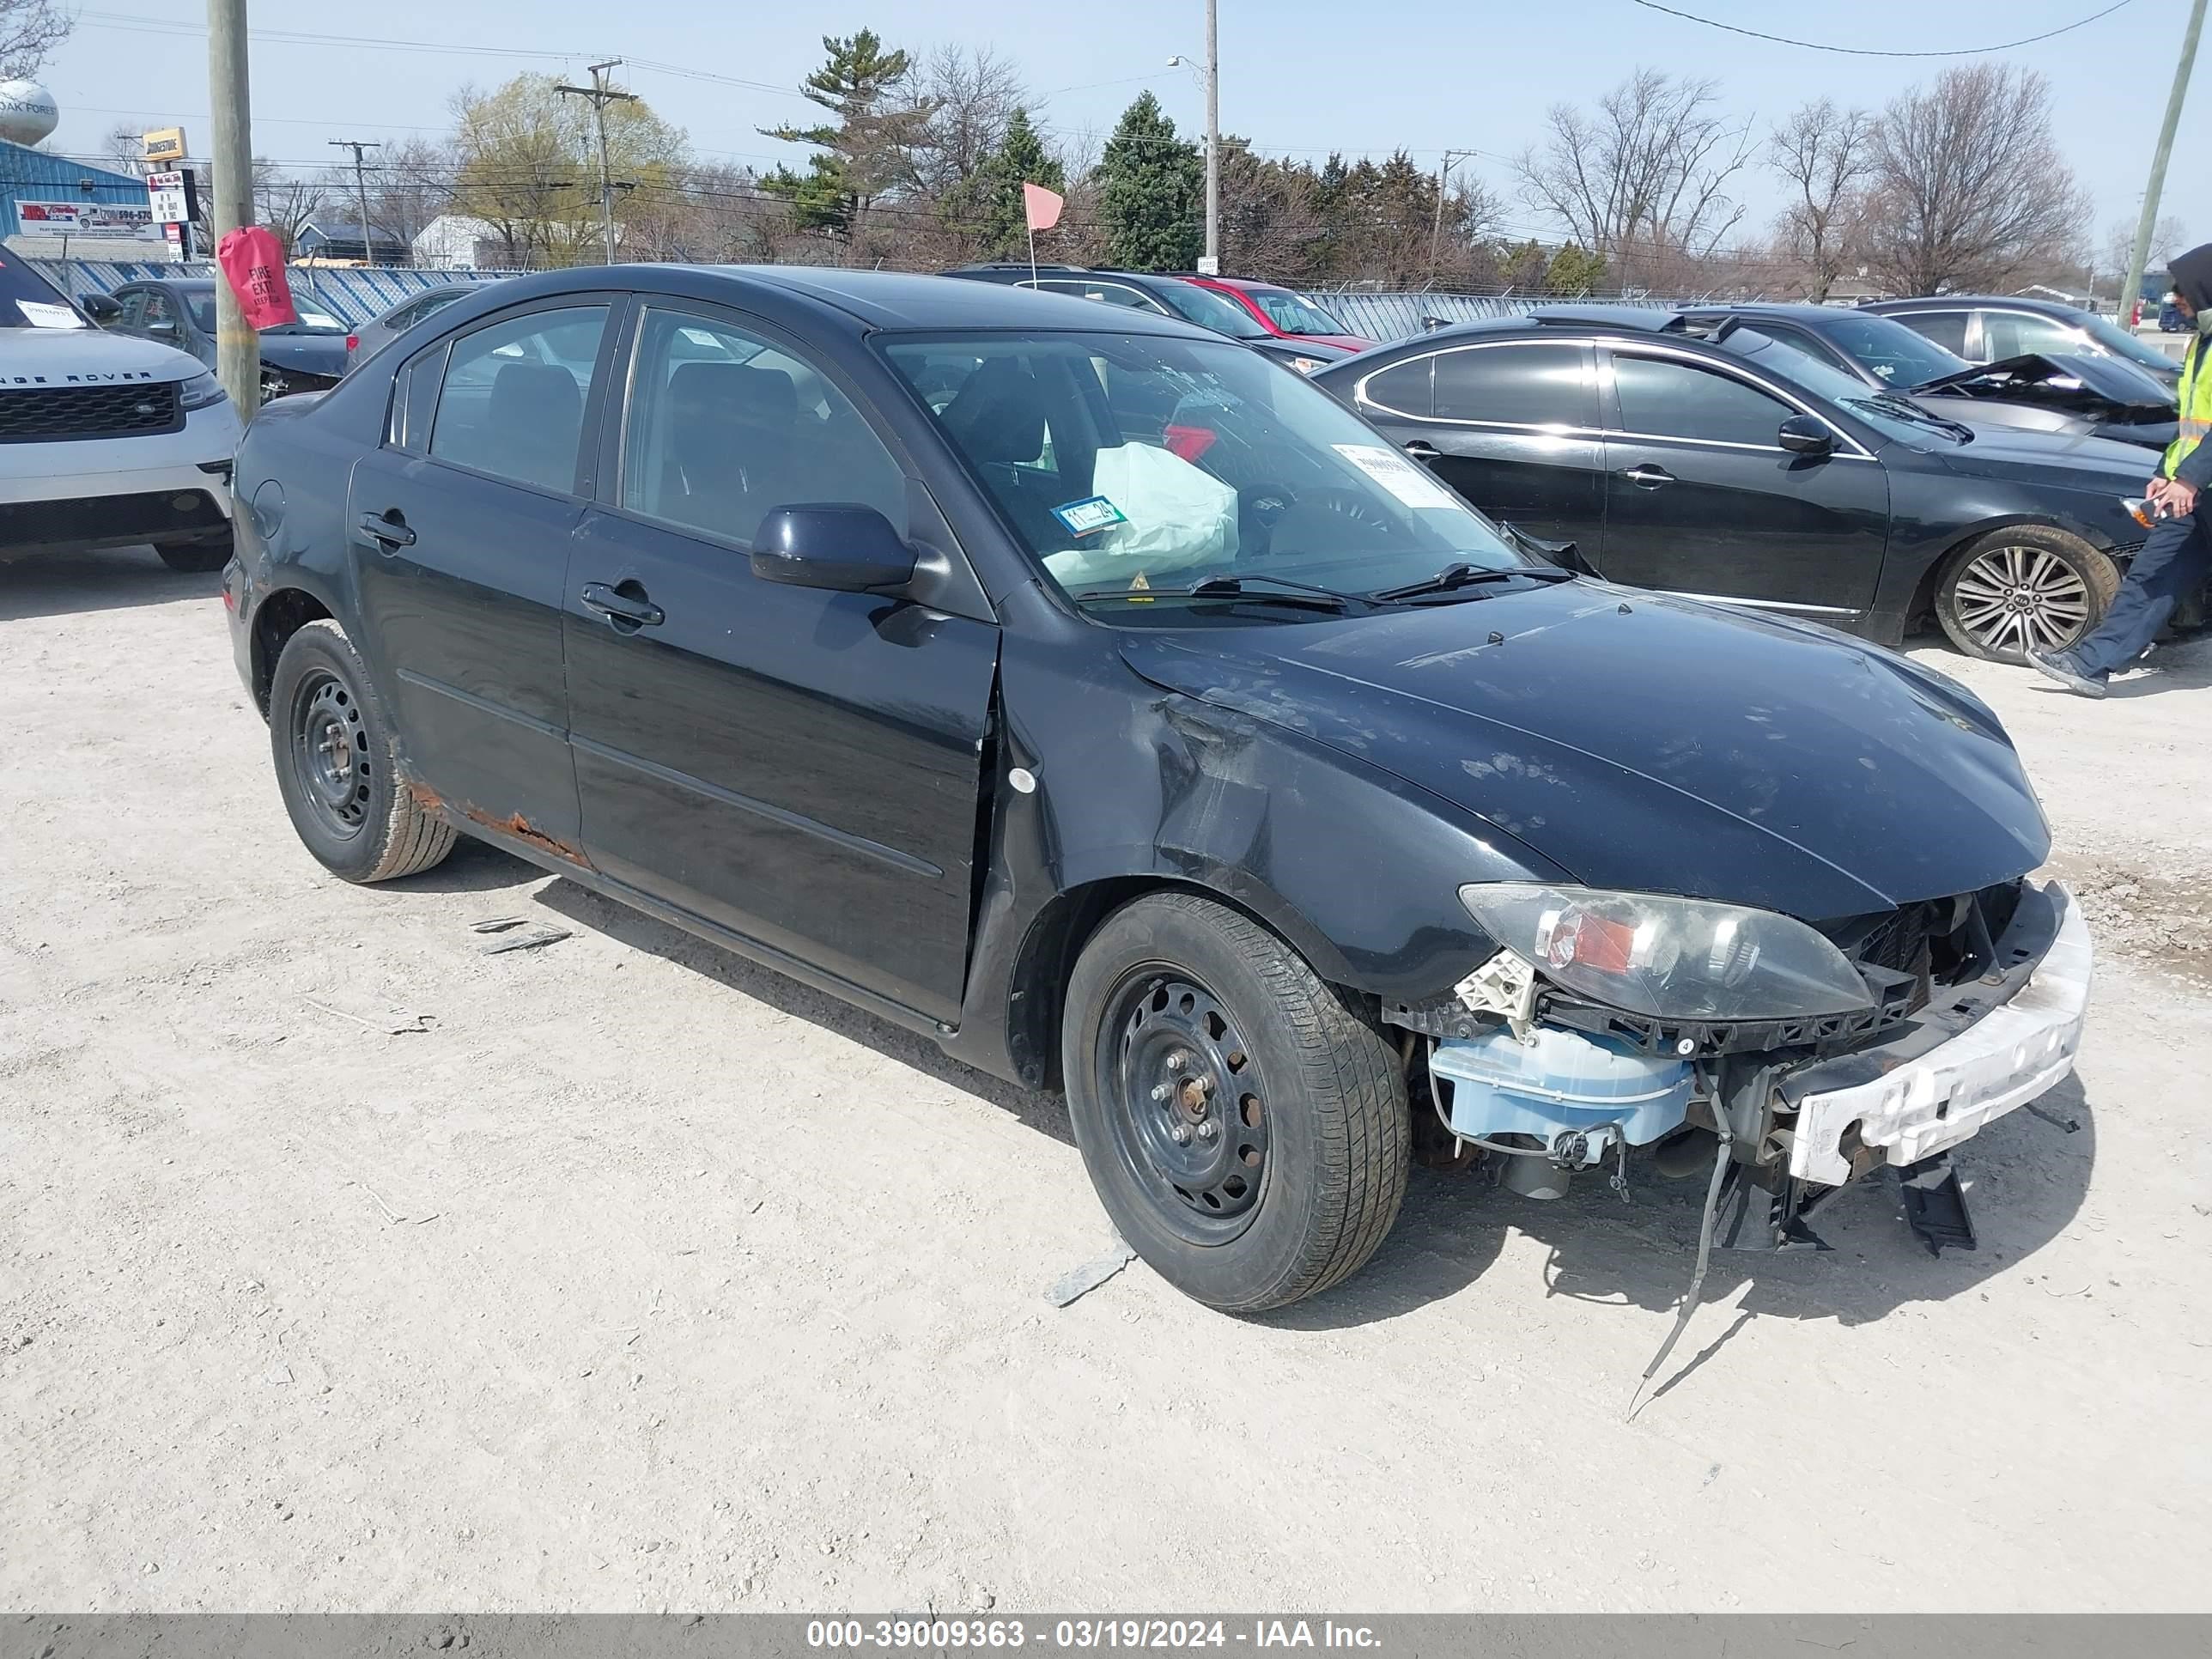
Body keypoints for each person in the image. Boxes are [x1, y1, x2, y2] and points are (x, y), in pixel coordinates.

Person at [2032, 242, 2212, 698]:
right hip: (2192, 490)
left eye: (2182, 291)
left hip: (2198, 484)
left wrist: (2189, 477)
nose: (2175, 299)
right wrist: (2167, 472)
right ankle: (2091, 664)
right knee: (2152, 574)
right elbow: (2193, 422)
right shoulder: (2203, 344)